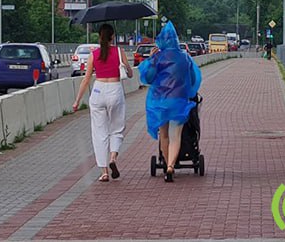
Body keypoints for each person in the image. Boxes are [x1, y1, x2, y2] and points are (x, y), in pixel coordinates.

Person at [138, 21, 202, 183]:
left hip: (160, 102)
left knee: (164, 135)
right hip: (179, 102)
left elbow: (148, 77)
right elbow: (194, 79)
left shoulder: (158, 57)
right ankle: (171, 166)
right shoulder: (185, 58)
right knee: (176, 135)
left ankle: (166, 163)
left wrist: (151, 59)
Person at [72, 23, 132, 183]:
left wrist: (77, 101)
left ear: (99, 37)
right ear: (113, 36)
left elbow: (86, 80)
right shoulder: (120, 52)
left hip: (98, 91)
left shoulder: (94, 54)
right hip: (115, 90)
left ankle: (104, 171)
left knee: (99, 132)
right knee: (117, 128)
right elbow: (130, 73)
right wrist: (126, 68)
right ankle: (113, 157)